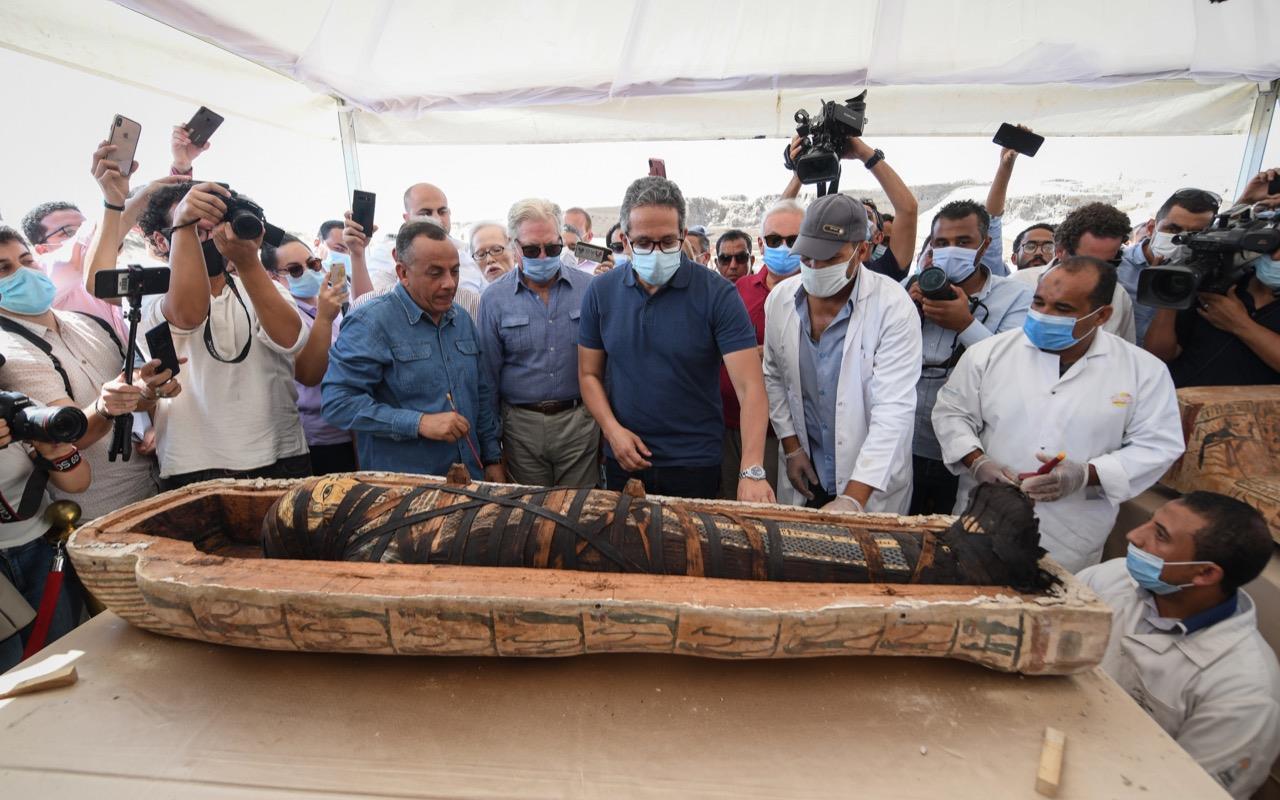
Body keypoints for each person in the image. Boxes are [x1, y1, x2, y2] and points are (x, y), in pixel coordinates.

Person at [933, 256, 1183, 572]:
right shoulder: (989, 353)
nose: (1044, 315)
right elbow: (952, 414)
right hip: (982, 513)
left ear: (1102, 315)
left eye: (1062, 309)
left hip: (1072, 532)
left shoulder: (1142, 371)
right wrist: (977, 461)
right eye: (1039, 303)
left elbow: (1159, 445)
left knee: (1053, 606)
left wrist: (1085, 474)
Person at [578, 176, 774, 502]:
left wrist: (752, 469)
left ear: (683, 235)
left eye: (667, 242)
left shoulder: (718, 294)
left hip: (695, 463)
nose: (656, 252)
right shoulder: (601, 292)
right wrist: (612, 432)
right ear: (625, 241)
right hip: (626, 459)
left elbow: (751, 387)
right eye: (644, 243)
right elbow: (588, 374)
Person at [1078, 493, 1280, 800]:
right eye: (1151, 521)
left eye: (1160, 535)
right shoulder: (1113, 577)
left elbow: (1193, 792)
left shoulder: (1245, 691)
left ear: (1205, 573)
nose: (1134, 535)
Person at [123, 181, 316, 488]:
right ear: (161, 241)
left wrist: (248, 261)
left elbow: (290, 339)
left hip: (282, 453)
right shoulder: (148, 296)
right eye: (198, 231)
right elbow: (188, 315)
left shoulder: (265, 287)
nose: (212, 239)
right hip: (195, 462)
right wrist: (183, 223)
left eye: (217, 228)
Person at [0, 225, 172, 519]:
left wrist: (150, 393)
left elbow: (133, 395)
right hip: (101, 512)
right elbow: (68, 434)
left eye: (26, 261)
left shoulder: (90, 322)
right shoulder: (11, 353)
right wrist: (104, 408)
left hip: (157, 485)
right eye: (5, 269)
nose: (24, 273)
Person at [763, 193, 921, 512]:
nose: (814, 267)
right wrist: (792, 447)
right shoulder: (780, 300)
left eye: (829, 258)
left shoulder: (893, 307)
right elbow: (775, 377)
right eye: (807, 257)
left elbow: (893, 410)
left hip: (869, 481)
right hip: (807, 472)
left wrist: (853, 498)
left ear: (861, 250)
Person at [323, 220, 505, 481]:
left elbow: (481, 394)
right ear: (402, 272)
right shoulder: (370, 322)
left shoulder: (462, 319)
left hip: (469, 480)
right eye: (435, 273)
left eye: (454, 271)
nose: (449, 283)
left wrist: (492, 458)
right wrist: (419, 423)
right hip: (405, 490)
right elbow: (337, 403)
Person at [906, 200, 1032, 515]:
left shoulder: (1015, 298)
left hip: (969, 454)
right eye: (942, 243)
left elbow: (1013, 371)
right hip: (904, 446)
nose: (952, 250)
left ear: (984, 245)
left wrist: (965, 324)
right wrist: (905, 315)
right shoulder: (907, 290)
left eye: (963, 242)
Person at [477, 199, 597, 487]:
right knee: (529, 521)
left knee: (579, 516)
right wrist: (492, 454)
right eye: (532, 250)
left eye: (552, 248)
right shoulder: (493, 299)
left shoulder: (590, 289)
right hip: (521, 430)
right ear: (514, 246)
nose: (543, 257)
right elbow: (486, 381)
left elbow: (607, 364)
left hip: (580, 424)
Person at [1143, 175, 1280, 387]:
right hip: (1182, 408)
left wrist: (1240, 324)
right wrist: (1169, 293)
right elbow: (1160, 355)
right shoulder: (1218, 282)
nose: (1277, 257)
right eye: (1273, 248)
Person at [718, 203, 804, 499]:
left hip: (782, 433)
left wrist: (769, 355)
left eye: (793, 240)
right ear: (761, 243)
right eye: (774, 240)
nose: (783, 247)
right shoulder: (740, 289)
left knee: (770, 509)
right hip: (729, 422)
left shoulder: (818, 294)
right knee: (730, 503)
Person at [0, 410, 91, 672]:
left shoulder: (14, 409)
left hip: (42, 552)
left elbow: (78, 482)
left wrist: (54, 452)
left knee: (61, 656)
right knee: (10, 667)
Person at [260, 235, 355, 475]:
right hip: (320, 437)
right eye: (295, 270)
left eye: (312, 264)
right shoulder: (283, 317)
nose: (308, 272)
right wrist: (324, 317)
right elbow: (310, 372)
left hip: (353, 427)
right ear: (273, 276)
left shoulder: (337, 300)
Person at [782, 136, 918, 280]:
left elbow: (908, 209)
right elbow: (777, 223)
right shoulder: (814, 265)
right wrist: (800, 174)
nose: (858, 217)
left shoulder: (883, 273)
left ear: (878, 236)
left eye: (867, 215)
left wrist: (863, 152)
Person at [1013, 202, 1138, 343]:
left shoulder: (1118, 296)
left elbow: (1122, 353)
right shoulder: (1018, 284)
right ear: (1061, 251)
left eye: (1109, 264)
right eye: (1087, 262)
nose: (1097, 272)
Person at [1117, 188, 1219, 344]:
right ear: (1151, 228)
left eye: (1195, 234)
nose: (1181, 240)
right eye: (1173, 229)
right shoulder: (1116, 266)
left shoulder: (1205, 276)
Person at [402, 182, 484, 294]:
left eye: (442, 212)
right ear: (407, 218)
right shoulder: (388, 257)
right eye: (426, 213)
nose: (437, 219)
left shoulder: (468, 254)